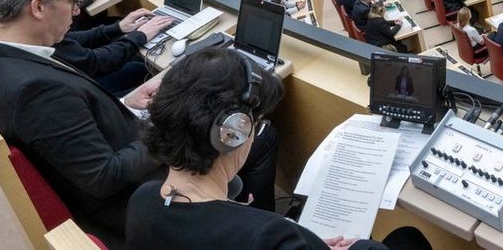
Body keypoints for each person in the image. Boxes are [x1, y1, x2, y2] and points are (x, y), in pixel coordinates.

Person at [127, 47, 430, 249]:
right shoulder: (266, 237)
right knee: (408, 239)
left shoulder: (141, 203)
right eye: (255, 126)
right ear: (231, 133)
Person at [0, 0, 167, 244]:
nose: (77, 11)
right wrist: (171, 124)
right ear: (38, 7)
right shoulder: (37, 92)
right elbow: (104, 176)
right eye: (73, 2)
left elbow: (65, 135)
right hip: (135, 202)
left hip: (113, 156)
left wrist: (125, 104)